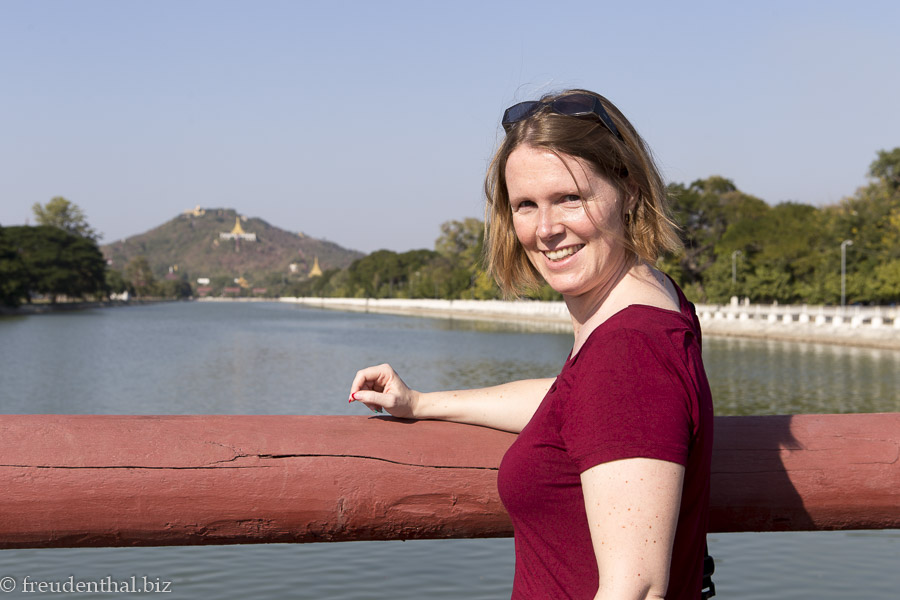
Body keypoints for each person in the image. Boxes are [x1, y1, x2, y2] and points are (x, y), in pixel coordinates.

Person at [349, 89, 714, 600]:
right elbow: (577, 402)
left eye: (570, 198)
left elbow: (637, 587)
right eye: (526, 205)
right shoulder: (651, 298)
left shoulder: (629, 349)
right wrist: (422, 403)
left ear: (628, 191)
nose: (546, 229)